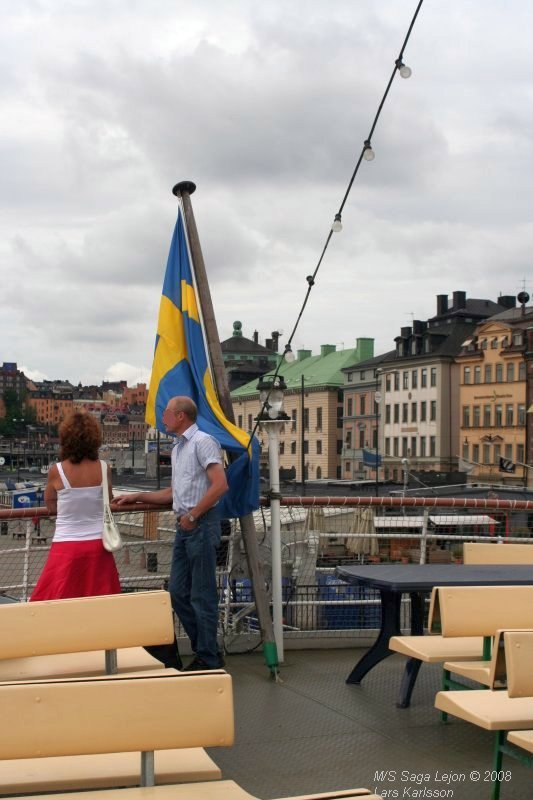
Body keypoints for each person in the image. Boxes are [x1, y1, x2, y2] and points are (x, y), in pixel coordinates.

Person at [116, 396, 228, 670]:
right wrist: (138, 496)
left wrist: (192, 515)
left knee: (202, 595)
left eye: (166, 413)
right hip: (186, 526)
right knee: (178, 592)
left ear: (180, 416)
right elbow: (174, 493)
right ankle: (206, 649)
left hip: (199, 524)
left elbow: (220, 485)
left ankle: (208, 658)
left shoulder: (203, 442)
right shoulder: (179, 449)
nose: (162, 417)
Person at [30, 411, 121, 601]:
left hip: (66, 545)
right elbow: (109, 500)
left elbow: (50, 504)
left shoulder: (57, 471)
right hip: (98, 546)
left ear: (66, 439)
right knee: (101, 602)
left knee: (57, 599)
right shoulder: (104, 468)